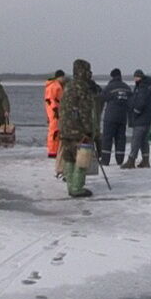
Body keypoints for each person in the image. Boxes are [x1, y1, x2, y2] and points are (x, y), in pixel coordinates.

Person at [58, 59, 94, 197]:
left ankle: (71, 185)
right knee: (81, 157)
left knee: (69, 157)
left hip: (65, 128)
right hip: (78, 130)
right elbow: (85, 112)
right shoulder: (82, 88)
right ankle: (77, 187)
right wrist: (89, 130)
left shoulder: (68, 86)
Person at [121, 69, 151, 169]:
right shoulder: (148, 86)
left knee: (136, 140)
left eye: (136, 77)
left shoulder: (143, 87)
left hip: (141, 118)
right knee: (144, 140)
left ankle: (131, 161)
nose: (135, 79)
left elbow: (141, 102)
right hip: (147, 118)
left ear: (140, 77)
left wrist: (135, 112)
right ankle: (145, 161)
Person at [100, 68, 132, 166]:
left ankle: (105, 160)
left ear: (112, 76)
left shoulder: (109, 87)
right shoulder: (127, 88)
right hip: (122, 117)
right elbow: (131, 102)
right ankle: (120, 160)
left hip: (110, 117)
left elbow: (102, 98)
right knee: (121, 138)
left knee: (107, 138)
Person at [44, 70, 65, 158]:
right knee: (54, 131)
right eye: (63, 77)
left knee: (56, 131)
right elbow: (51, 100)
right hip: (54, 111)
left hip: (55, 111)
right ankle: (52, 151)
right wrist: (55, 110)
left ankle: (55, 149)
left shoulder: (56, 85)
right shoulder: (54, 86)